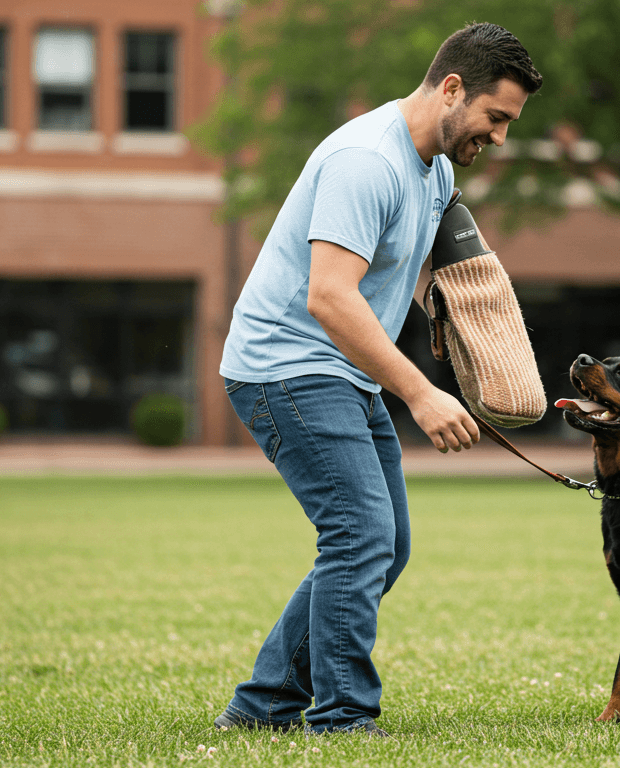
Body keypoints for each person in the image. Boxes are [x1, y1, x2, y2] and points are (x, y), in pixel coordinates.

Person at [214, 22, 543, 736]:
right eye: (496, 118)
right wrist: (421, 392)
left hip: (343, 370)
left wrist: (490, 348)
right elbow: (330, 296)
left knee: (384, 546)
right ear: (452, 88)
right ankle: (341, 720)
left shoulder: (438, 170)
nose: (501, 138)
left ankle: (265, 704)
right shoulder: (368, 161)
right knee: (360, 537)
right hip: (287, 364)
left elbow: (447, 280)